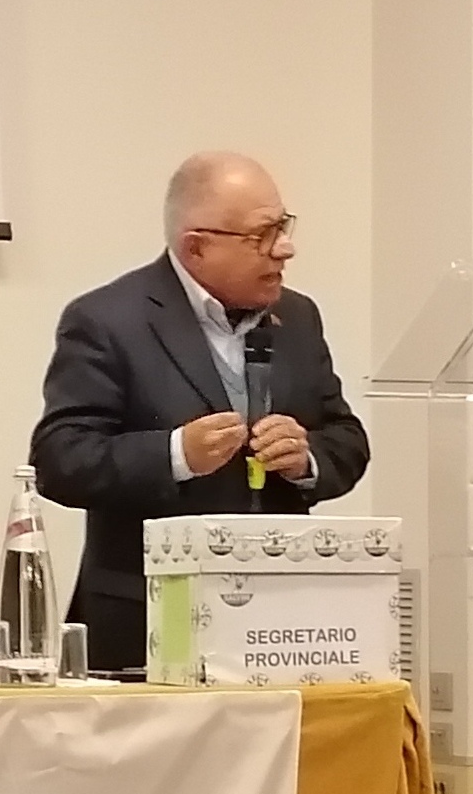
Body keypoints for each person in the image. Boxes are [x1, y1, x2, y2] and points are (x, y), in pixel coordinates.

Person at [30, 151, 370, 671]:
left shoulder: (298, 317)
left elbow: (346, 438)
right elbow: (60, 460)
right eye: (262, 235)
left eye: (283, 227)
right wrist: (175, 454)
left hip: (280, 626)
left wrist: (306, 458)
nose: (285, 248)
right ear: (196, 247)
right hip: (146, 625)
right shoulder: (106, 320)